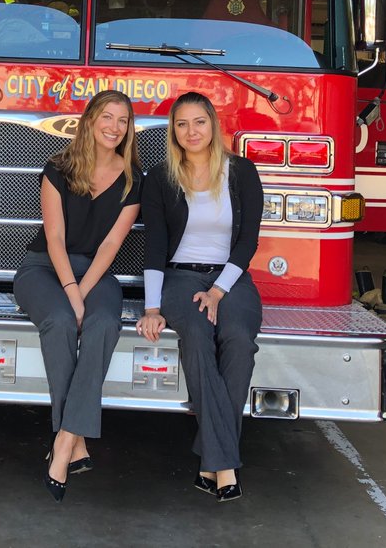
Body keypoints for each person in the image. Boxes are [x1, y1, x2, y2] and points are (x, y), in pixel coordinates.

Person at [13, 90, 142, 502]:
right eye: (107, 117)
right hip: (43, 269)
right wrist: (71, 293)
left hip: (96, 272)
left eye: (123, 120)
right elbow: (54, 238)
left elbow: (110, 246)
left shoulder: (133, 178)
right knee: (61, 321)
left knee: (103, 322)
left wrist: (83, 292)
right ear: (90, 120)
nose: (114, 127)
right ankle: (77, 441)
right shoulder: (58, 168)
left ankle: (65, 440)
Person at [137, 91, 263, 503]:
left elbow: (247, 241)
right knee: (195, 335)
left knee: (239, 340)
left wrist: (218, 290)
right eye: (182, 124)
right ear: (173, 131)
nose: (191, 131)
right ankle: (224, 464)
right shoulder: (160, 177)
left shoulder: (242, 172)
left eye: (199, 122)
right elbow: (155, 246)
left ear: (213, 125)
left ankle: (212, 457)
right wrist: (152, 308)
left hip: (230, 278)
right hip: (179, 278)